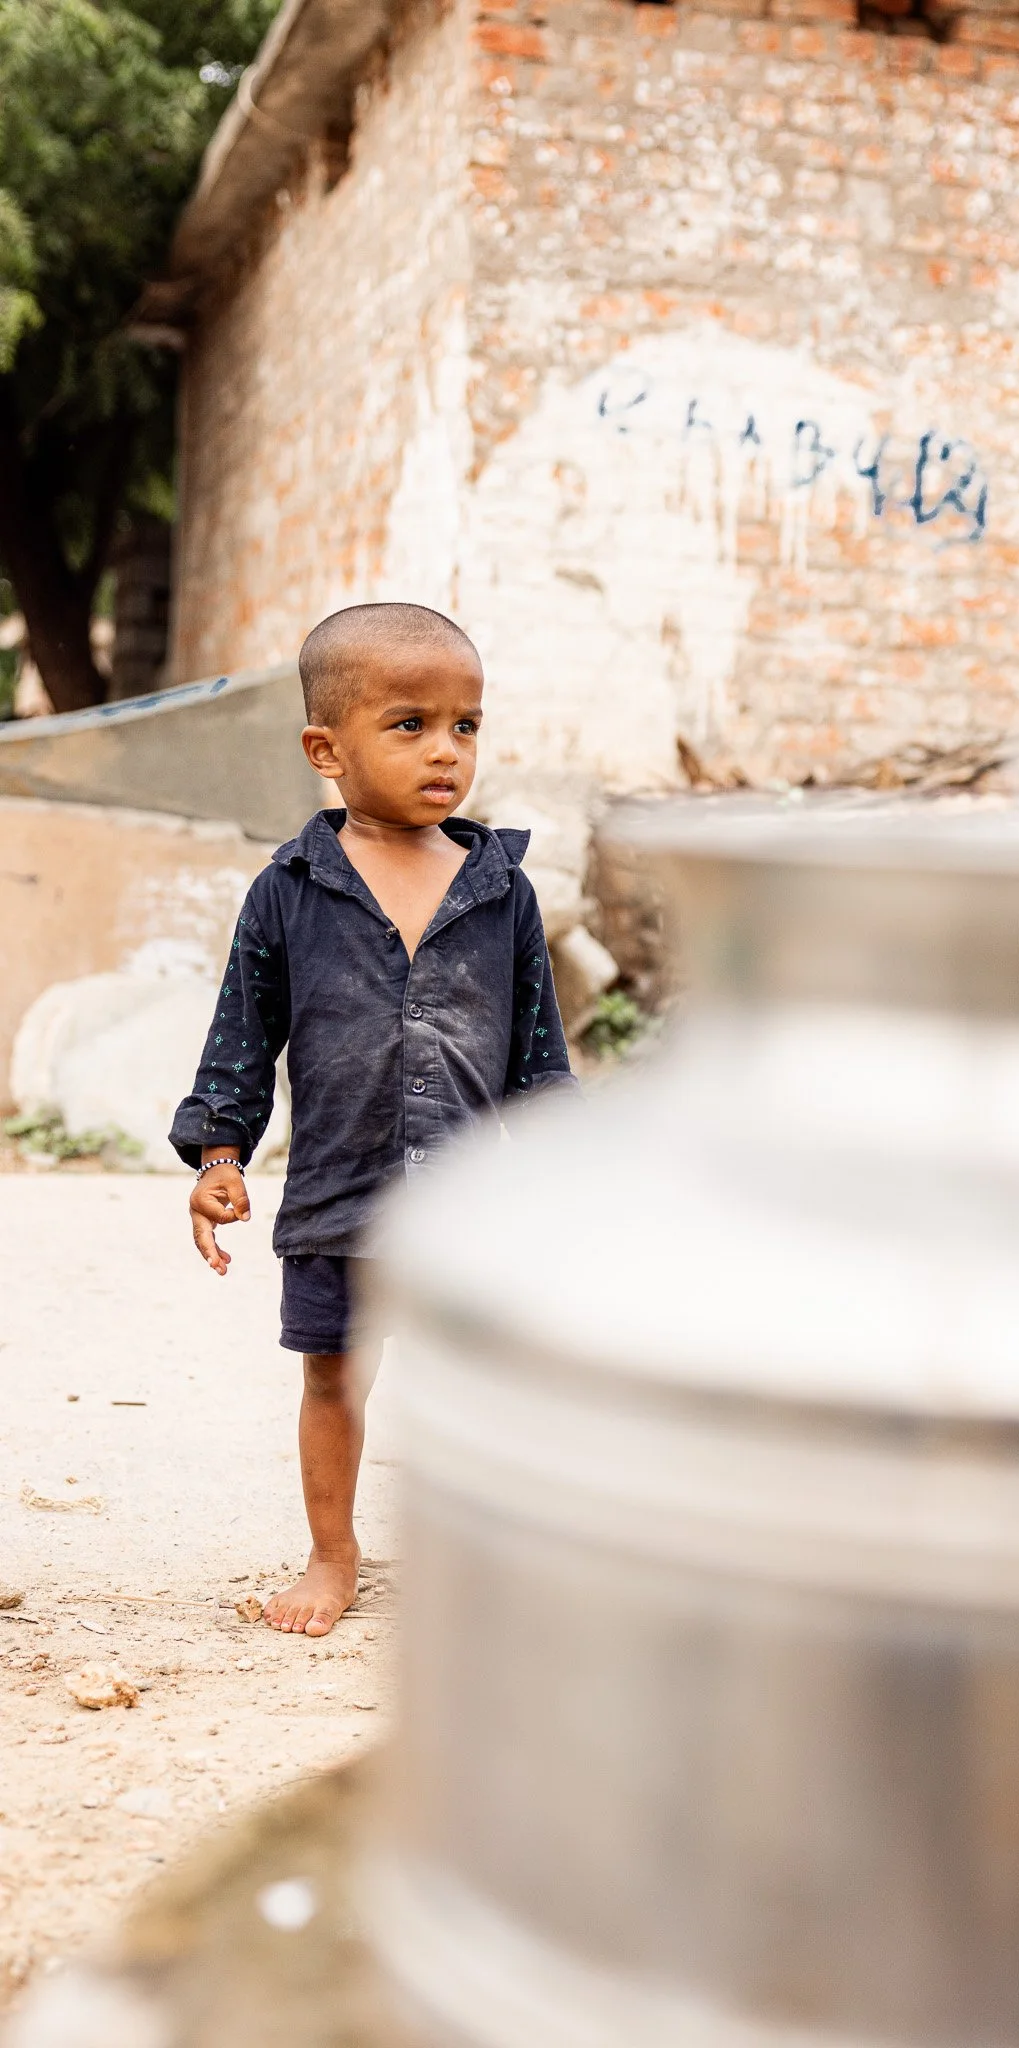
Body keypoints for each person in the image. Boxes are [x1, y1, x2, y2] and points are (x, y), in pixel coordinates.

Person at [170, 602, 574, 1637]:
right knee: (336, 1378)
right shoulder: (290, 891)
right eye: (410, 723)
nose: (446, 749)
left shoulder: (500, 890)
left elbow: (538, 1053)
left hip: (472, 1206)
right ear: (325, 747)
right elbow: (242, 1033)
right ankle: (331, 1553)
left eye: (466, 725)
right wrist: (220, 1149)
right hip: (341, 1191)